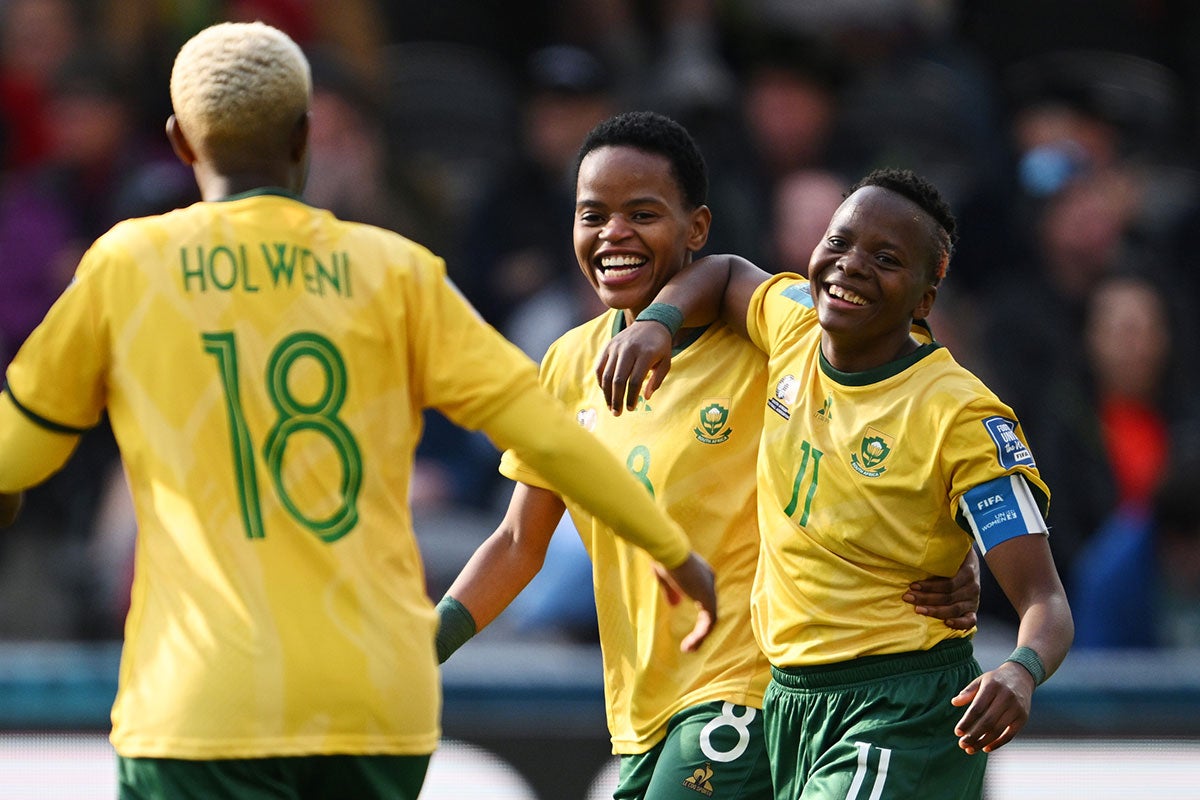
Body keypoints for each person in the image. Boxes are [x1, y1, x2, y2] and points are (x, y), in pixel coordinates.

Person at [0, 23, 719, 800]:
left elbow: (16, 458)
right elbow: (550, 434)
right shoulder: (396, 272)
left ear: (179, 142)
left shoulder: (125, 267)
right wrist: (673, 549)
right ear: (305, 137)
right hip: (373, 705)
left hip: (200, 704)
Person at [436, 112, 982, 799]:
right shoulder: (570, 362)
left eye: (642, 213)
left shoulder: (766, 344)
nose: (613, 233)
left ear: (696, 228)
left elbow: (902, 415)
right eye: (592, 214)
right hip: (640, 710)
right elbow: (519, 540)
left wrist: (955, 550)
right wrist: (431, 644)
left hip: (747, 690)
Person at [598, 167, 1074, 797]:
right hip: (791, 701)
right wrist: (657, 321)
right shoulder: (795, 327)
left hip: (899, 710)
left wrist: (1020, 670)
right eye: (839, 242)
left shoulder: (959, 416)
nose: (850, 266)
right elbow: (729, 271)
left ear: (924, 300)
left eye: (886, 258)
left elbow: (1046, 600)